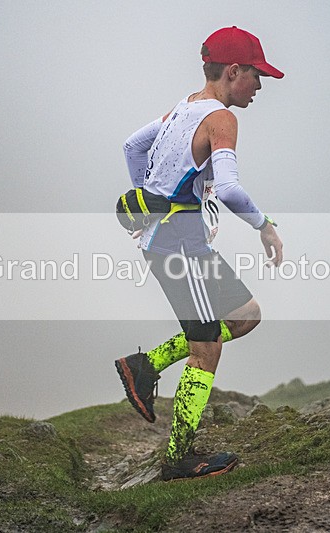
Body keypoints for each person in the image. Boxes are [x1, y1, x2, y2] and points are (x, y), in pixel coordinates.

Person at [114, 26, 284, 480]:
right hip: (178, 243)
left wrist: (148, 200)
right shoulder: (221, 119)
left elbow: (133, 146)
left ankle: (144, 366)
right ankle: (177, 459)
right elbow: (227, 188)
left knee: (245, 314)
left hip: (175, 237)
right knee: (206, 348)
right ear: (233, 71)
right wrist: (264, 225)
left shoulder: (182, 109)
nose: (260, 86)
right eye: (256, 75)